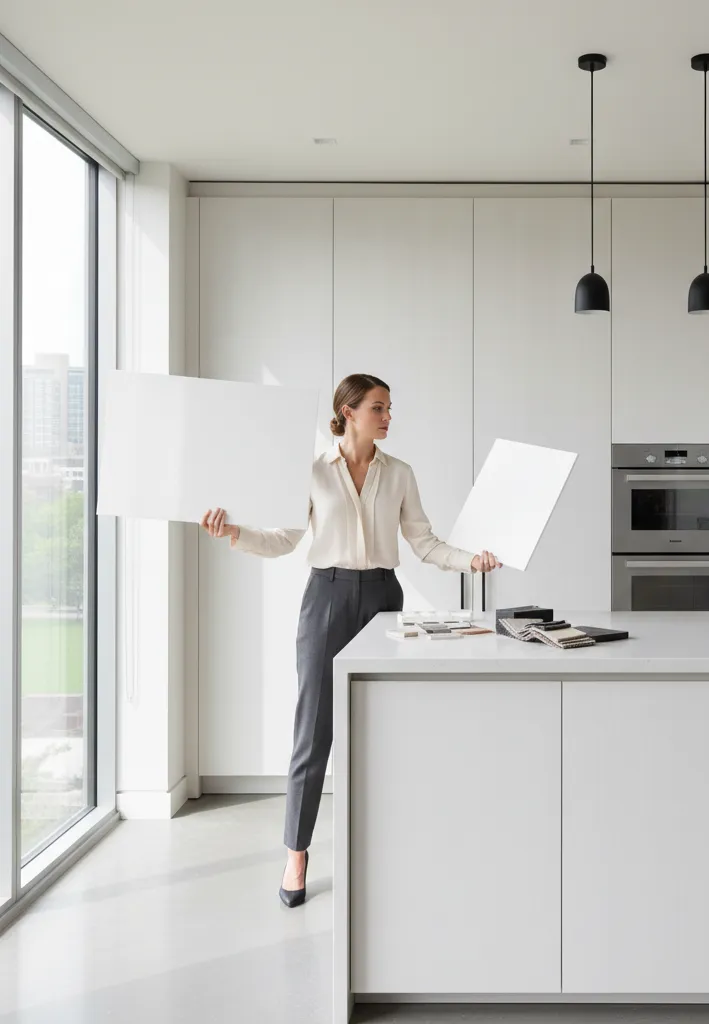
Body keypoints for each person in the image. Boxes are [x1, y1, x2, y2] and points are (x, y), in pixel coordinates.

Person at [200, 373, 500, 907]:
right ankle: (296, 854)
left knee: (380, 730)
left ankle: (383, 851)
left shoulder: (400, 473)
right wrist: (234, 533)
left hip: (384, 600)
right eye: (379, 408)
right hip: (328, 598)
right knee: (313, 731)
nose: (388, 417)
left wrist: (471, 560)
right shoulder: (312, 472)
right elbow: (284, 540)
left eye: (389, 408)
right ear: (348, 411)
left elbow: (425, 543)